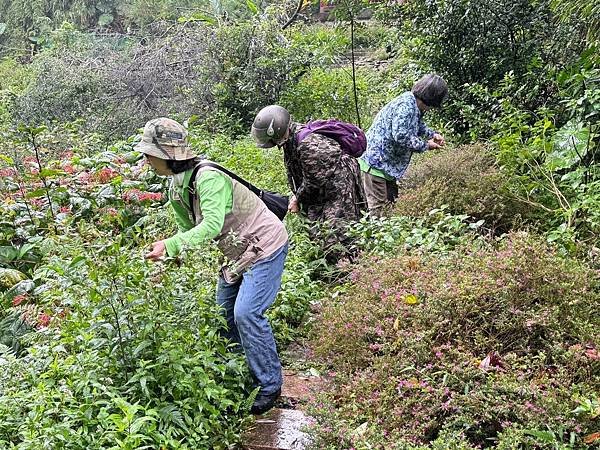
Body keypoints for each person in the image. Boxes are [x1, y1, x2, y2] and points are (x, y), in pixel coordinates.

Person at [139, 117, 288, 415]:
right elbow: (188, 231)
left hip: (265, 245)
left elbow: (211, 225)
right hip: (237, 253)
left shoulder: (207, 178)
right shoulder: (176, 187)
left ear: (166, 156)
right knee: (223, 315)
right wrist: (169, 255)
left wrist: (170, 245)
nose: (145, 158)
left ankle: (269, 384)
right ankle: (238, 372)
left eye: (149, 152)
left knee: (247, 313)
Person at [250, 105, 366, 264]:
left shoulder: (307, 144)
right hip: (325, 186)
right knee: (318, 228)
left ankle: (353, 269)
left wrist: (297, 198)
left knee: (337, 231)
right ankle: (337, 267)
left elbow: (314, 180)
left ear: (276, 132)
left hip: (339, 186)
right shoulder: (290, 139)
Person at [360, 74, 448, 216]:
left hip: (387, 165)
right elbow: (401, 136)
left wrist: (432, 134)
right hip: (376, 162)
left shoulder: (414, 104)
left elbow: (417, 124)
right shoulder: (406, 106)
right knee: (379, 211)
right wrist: (425, 145)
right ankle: (374, 237)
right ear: (432, 98)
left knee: (391, 205)